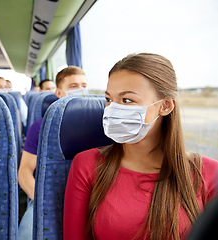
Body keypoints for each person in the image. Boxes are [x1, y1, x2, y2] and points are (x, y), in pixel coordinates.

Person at [63, 53, 218, 240]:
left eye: (127, 100)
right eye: (109, 99)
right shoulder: (87, 165)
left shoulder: (209, 173)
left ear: (165, 106)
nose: (112, 109)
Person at [18, 66, 88, 239]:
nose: (81, 90)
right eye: (73, 86)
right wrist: (44, 199)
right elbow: (25, 172)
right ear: (59, 92)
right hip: (48, 197)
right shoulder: (42, 126)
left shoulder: (102, 125)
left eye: (84, 85)